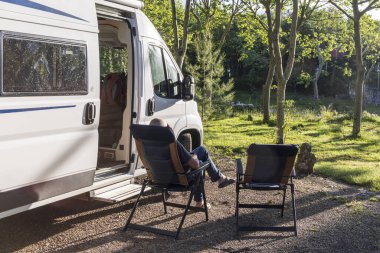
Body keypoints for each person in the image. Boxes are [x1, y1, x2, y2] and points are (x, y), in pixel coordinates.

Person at [149, 118, 235, 208]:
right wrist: (193, 157)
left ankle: (220, 178)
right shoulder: (172, 143)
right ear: (166, 129)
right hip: (179, 179)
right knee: (200, 164)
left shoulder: (145, 143)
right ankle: (200, 201)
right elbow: (195, 165)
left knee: (202, 150)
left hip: (159, 178)